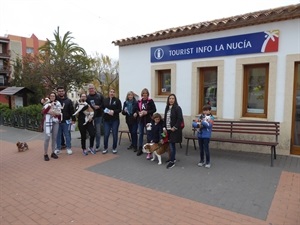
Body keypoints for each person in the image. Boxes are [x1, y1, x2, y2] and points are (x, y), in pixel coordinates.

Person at [163, 94, 183, 169]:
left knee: (172, 145)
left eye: (173, 98)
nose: (171, 100)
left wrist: (175, 127)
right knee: (170, 145)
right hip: (168, 130)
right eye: (170, 98)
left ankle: (172, 161)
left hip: (174, 130)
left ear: (175, 100)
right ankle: (172, 158)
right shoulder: (167, 108)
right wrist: (164, 127)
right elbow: (165, 118)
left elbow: (179, 119)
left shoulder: (177, 108)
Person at [54, 86, 76, 155]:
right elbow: (46, 102)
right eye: (59, 91)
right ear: (57, 92)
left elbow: (72, 110)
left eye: (62, 91)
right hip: (57, 121)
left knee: (67, 135)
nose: (61, 92)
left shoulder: (68, 101)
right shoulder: (55, 100)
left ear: (64, 92)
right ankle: (58, 148)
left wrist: (73, 119)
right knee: (58, 135)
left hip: (66, 121)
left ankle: (68, 148)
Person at [41, 92, 61, 161]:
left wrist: (55, 114)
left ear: (55, 97)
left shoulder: (58, 103)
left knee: (54, 138)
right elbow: (43, 112)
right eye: (51, 96)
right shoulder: (47, 103)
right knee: (47, 138)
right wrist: (50, 108)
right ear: (49, 97)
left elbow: (59, 113)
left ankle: (53, 152)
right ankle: (45, 154)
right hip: (47, 122)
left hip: (55, 122)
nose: (52, 97)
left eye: (54, 96)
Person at [136, 88, 157, 156]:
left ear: (147, 94)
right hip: (141, 120)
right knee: (140, 134)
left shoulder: (150, 101)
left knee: (149, 135)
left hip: (148, 120)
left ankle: (149, 150)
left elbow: (154, 109)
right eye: (143, 93)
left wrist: (147, 112)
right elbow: (136, 109)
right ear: (142, 94)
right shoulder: (139, 101)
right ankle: (140, 148)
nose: (145, 95)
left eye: (146, 93)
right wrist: (138, 112)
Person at [102, 88, 122, 154]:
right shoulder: (105, 100)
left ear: (114, 93)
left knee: (115, 134)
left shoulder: (117, 100)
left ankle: (114, 148)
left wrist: (113, 111)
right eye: (111, 92)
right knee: (106, 134)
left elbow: (120, 109)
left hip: (115, 120)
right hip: (106, 120)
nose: (112, 93)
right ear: (109, 93)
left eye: (113, 92)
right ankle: (105, 148)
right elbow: (102, 108)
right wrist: (107, 111)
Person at [86, 84, 104, 152]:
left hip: (98, 116)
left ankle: (97, 146)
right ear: (88, 90)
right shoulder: (87, 97)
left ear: (94, 88)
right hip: (90, 117)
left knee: (98, 132)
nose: (91, 89)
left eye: (92, 88)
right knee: (91, 132)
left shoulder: (99, 96)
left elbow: (104, 104)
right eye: (90, 88)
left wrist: (99, 107)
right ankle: (91, 146)